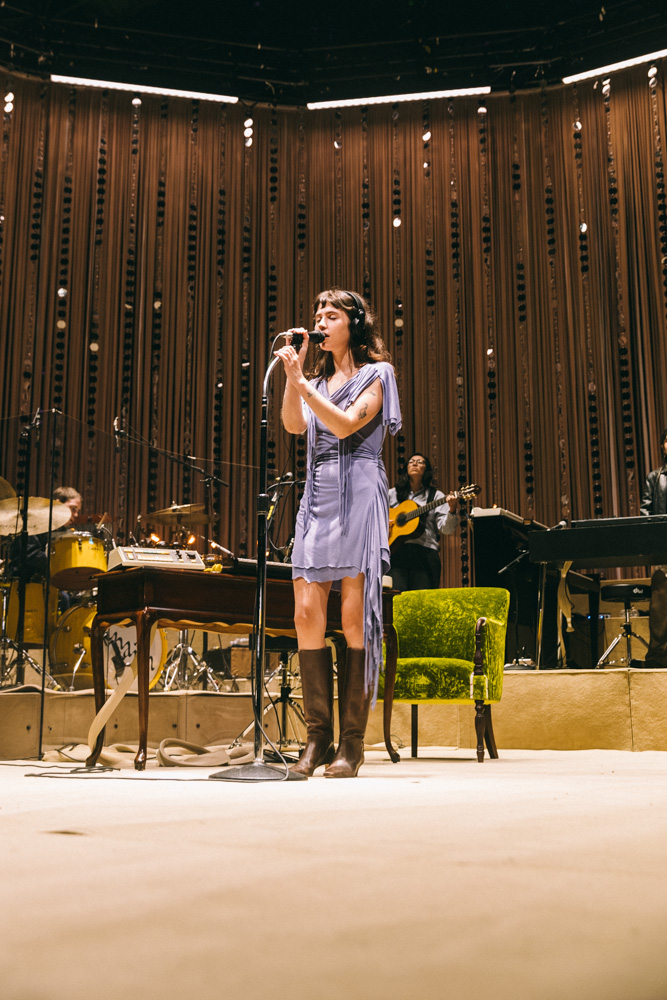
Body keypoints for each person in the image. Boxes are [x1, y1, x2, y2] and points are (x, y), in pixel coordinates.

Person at [275, 288, 401, 778]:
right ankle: (316, 739)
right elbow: (292, 424)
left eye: (331, 315)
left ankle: (351, 743)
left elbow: (348, 426)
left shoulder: (378, 374)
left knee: (353, 618)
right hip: (318, 496)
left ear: (353, 323)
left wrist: (302, 384)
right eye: (317, 315)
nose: (320, 322)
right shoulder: (314, 381)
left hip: (360, 496)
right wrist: (297, 378)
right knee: (306, 612)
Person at [388, 453, 459, 591]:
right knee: (396, 601)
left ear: (426, 469)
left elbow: (447, 529)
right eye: (411, 461)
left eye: (420, 462)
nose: (415, 464)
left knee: (423, 603)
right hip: (397, 553)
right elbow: (376, 516)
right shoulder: (392, 493)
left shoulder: (436, 496)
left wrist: (452, 509)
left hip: (425, 555)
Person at [639, 428, 667, 668]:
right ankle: (658, 655)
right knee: (660, 604)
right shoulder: (655, 477)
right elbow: (646, 512)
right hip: (662, 546)